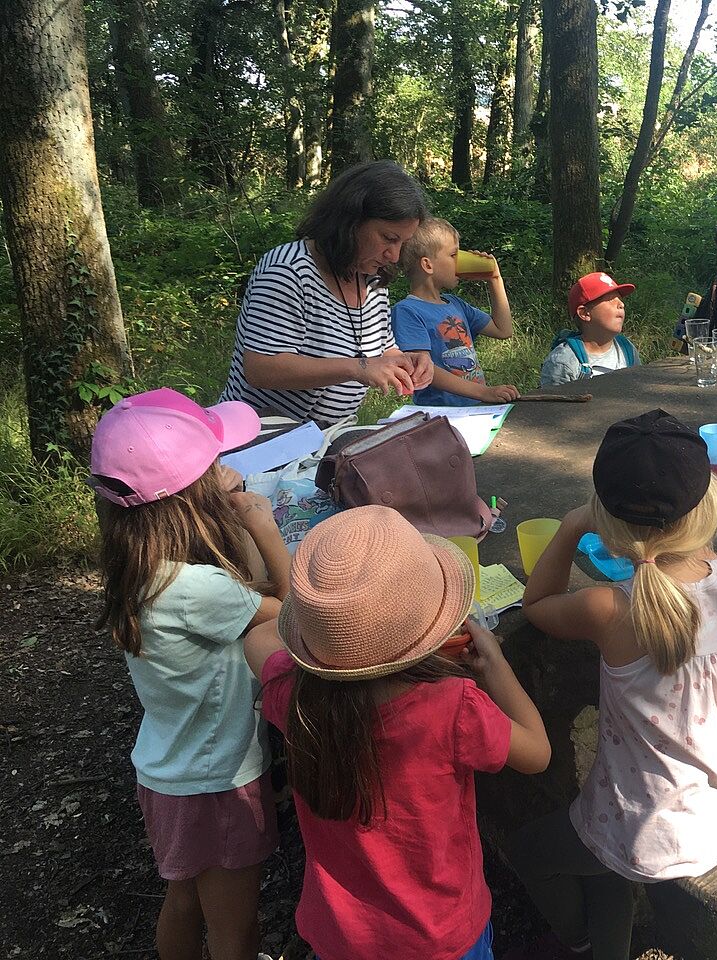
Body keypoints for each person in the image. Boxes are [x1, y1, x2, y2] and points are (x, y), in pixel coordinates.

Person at [244, 505, 550, 960]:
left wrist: (327, 647)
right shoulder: (454, 706)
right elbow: (537, 752)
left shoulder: (294, 697)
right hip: (439, 936)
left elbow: (259, 639)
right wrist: (496, 666)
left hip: (343, 936)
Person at [506, 409, 717, 960]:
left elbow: (537, 603)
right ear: (708, 504)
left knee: (529, 850)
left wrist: (572, 526)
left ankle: (580, 941)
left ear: (607, 519)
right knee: (601, 851)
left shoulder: (608, 608)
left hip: (644, 831)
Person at [90, 388, 290, 960]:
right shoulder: (196, 588)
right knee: (235, 929)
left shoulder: (139, 570)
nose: (229, 474)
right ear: (193, 495)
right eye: (218, 465)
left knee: (182, 900)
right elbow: (300, 605)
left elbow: (245, 599)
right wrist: (263, 526)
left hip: (165, 770)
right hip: (218, 781)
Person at [220, 160, 435, 425]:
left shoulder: (372, 278)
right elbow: (261, 368)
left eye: (404, 242)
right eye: (389, 238)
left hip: (324, 437)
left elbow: (383, 349)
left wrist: (406, 361)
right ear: (350, 222)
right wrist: (358, 368)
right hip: (260, 438)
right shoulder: (288, 271)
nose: (395, 255)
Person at [391, 218, 519, 406]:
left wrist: (495, 278)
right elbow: (424, 369)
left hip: (475, 408)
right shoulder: (407, 311)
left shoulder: (456, 304)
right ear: (428, 265)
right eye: (453, 255)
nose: (459, 262)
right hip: (440, 414)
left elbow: (503, 330)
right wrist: (484, 392)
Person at [539, 272, 642, 387]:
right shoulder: (563, 361)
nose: (621, 304)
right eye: (610, 299)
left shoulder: (627, 349)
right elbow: (552, 403)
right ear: (584, 313)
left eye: (620, 299)